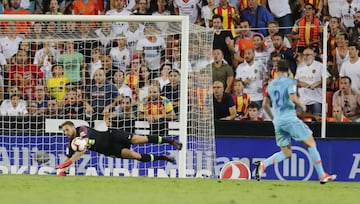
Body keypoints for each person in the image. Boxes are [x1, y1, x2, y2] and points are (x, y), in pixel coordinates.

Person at [255, 59, 337, 184]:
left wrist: (273, 119)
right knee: (311, 143)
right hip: (290, 119)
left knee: (286, 152)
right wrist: (302, 105)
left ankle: (263, 164)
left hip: (278, 121)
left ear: (276, 71)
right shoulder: (290, 81)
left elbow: (265, 105)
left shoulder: (270, 84)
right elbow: (292, 96)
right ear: (288, 71)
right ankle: (322, 175)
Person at [55, 120, 183, 176]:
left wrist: (69, 162)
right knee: (135, 156)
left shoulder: (82, 129)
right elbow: (67, 157)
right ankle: (164, 157)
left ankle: (171, 142)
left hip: (113, 136)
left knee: (139, 139)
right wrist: (63, 170)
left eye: (67, 129)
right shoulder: (71, 144)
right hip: (110, 150)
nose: (65, 132)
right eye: (64, 132)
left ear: (72, 127)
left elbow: (82, 148)